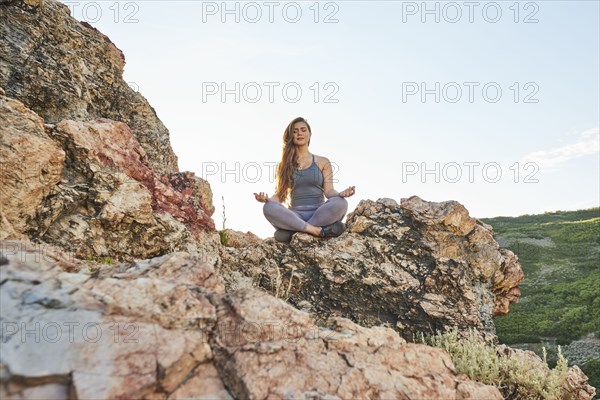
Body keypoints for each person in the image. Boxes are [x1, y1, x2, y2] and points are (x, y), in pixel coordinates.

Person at [254, 117, 356, 242]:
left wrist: (341, 194)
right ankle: (316, 231)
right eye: (295, 131)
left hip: (319, 213)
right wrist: (267, 200)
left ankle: (293, 231)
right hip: (295, 215)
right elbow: (280, 195)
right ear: (291, 136)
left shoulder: (323, 161)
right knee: (268, 207)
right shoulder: (284, 165)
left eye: (303, 130)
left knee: (340, 203)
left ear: (310, 134)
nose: (299, 133)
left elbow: (329, 192)